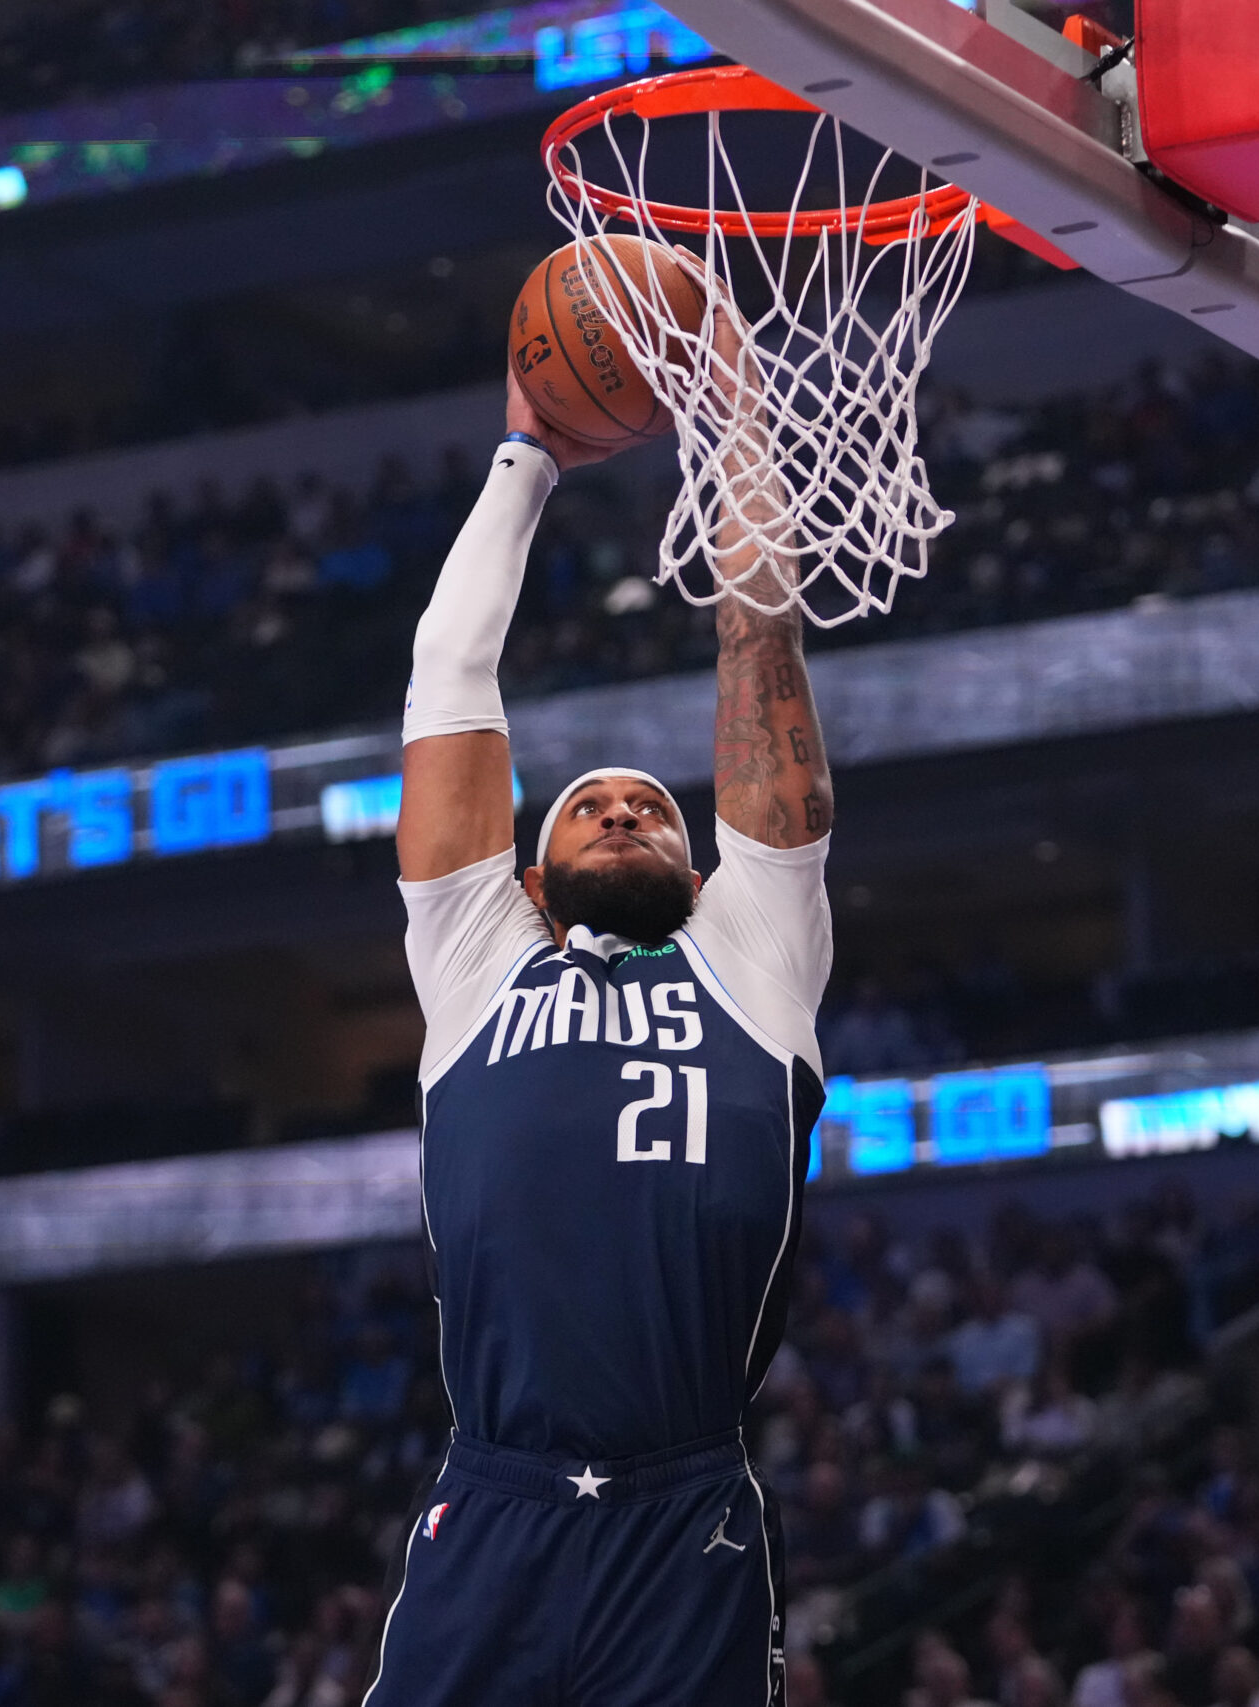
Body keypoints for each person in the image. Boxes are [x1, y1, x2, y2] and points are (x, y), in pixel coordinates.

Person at [371, 332, 836, 1705]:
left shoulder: (753, 948)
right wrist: (528, 457)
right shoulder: (475, 952)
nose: (628, 804)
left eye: (654, 806)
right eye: (592, 802)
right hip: (495, 1496)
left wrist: (735, 412)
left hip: (681, 1505)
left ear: (704, 872)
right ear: (526, 871)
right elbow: (448, 678)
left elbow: (759, 630)